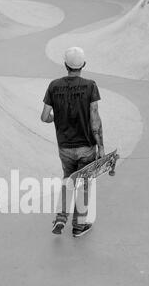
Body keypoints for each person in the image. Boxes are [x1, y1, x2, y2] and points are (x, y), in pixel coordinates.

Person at [41, 47, 105, 238]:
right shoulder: (90, 86)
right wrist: (100, 145)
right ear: (83, 65)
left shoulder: (54, 86)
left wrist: (56, 117)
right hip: (86, 147)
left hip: (65, 147)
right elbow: (95, 118)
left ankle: (61, 217)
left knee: (68, 180)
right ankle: (79, 226)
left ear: (65, 65)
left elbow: (45, 117)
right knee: (84, 185)